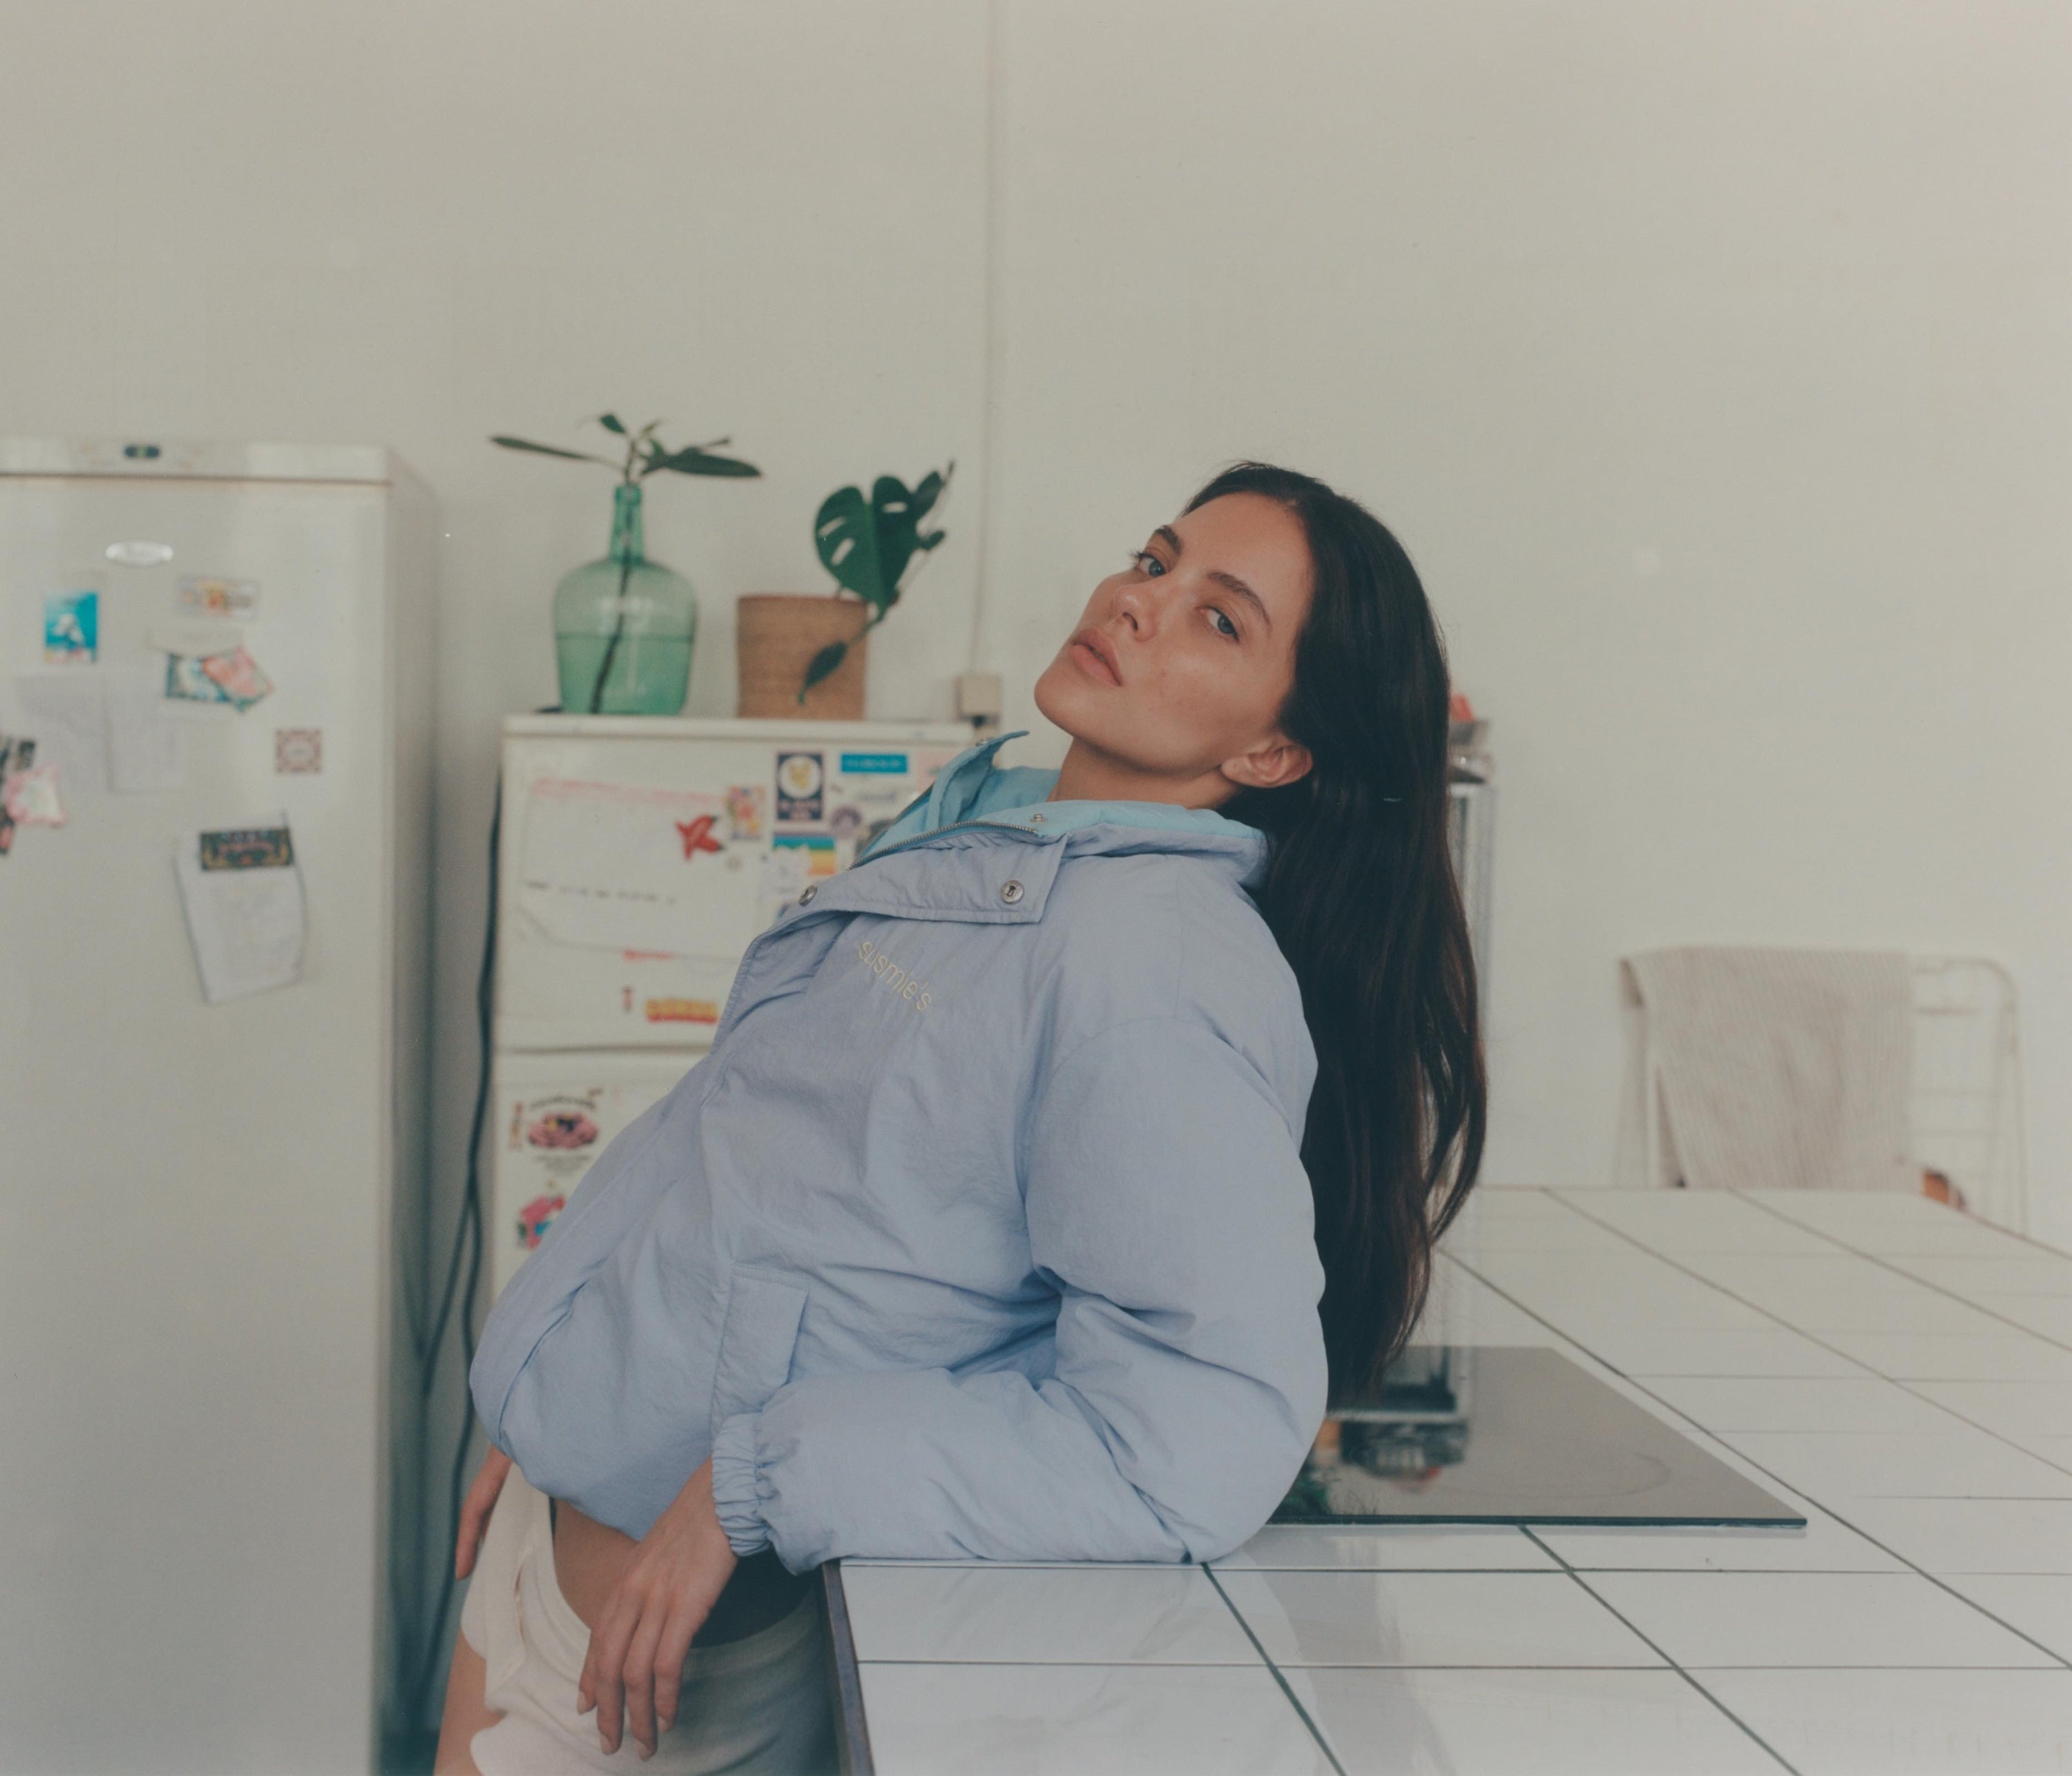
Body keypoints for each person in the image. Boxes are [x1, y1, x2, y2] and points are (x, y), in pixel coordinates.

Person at [433, 461, 1486, 1775]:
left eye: (1222, 618)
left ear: (1270, 750)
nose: (1138, 601)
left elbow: (1188, 1440)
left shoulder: (1149, 972)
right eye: (1156, 560)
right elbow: (752, 1135)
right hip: (548, 1545)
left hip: (653, 1671)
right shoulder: (1001, 830)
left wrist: (751, 1481)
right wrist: (556, 1376)